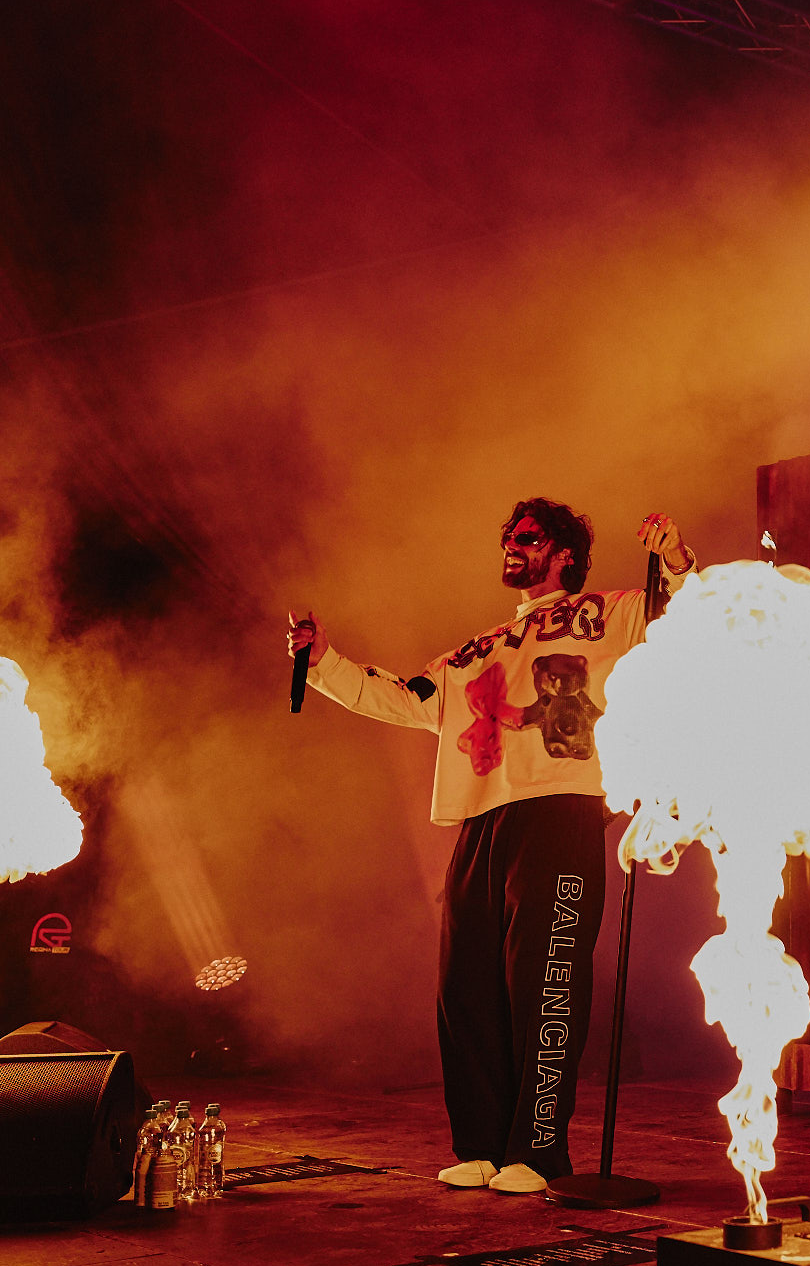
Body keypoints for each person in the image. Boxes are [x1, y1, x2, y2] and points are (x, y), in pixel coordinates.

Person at [286, 499, 693, 1194]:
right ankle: (479, 1142)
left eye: (527, 537)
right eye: (507, 536)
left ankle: (538, 1150)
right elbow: (404, 698)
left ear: (563, 554)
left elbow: (685, 622)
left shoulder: (612, 611)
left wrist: (674, 560)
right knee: (465, 986)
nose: (511, 544)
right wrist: (323, 661)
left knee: (546, 981)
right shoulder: (477, 648)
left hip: (561, 808)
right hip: (481, 816)